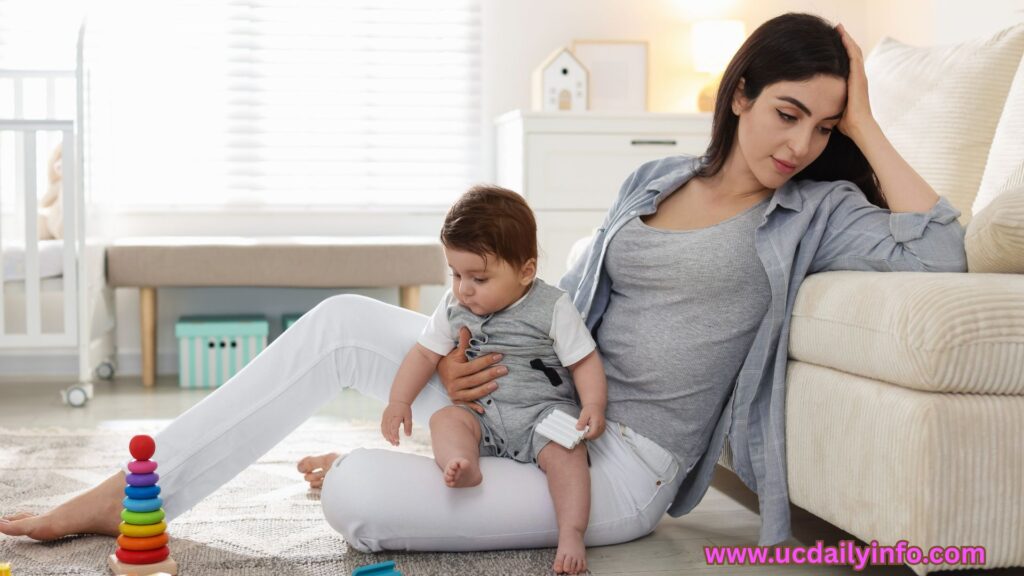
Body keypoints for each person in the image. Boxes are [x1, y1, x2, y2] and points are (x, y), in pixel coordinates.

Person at [1, 12, 966, 572]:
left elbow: (940, 255)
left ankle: (390, 466)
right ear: (742, 91)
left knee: (359, 500)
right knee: (341, 321)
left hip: (614, 464)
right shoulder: (658, 180)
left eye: (822, 124)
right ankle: (126, 497)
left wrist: (868, 125)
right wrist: (472, 369)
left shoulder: (818, 210)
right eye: (787, 112)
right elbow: (566, 307)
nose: (797, 144)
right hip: (530, 396)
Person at [381, 185, 607, 574]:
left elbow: (584, 361)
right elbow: (424, 354)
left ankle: (571, 532)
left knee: (569, 453)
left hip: (542, 414)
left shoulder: (551, 306)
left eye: (479, 279)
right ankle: (462, 462)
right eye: (455, 274)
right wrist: (399, 401)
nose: (464, 289)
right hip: (482, 414)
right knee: (446, 420)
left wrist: (593, 405)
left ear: (525, 272)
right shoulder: (453, 307)